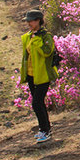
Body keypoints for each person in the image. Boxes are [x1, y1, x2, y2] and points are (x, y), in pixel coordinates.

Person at [20, 10, 58, 143]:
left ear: (39, 21)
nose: (29, 23)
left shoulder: (45, 36)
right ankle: (45, 129)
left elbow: (47, 52)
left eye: (32, 20)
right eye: (28, 21)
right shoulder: (28, 36)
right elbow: (27, 56)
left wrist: (37, 40)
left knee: (36, 103)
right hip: (31, 75)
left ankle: (45, 130)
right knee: (38, 103)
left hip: (43, 75)